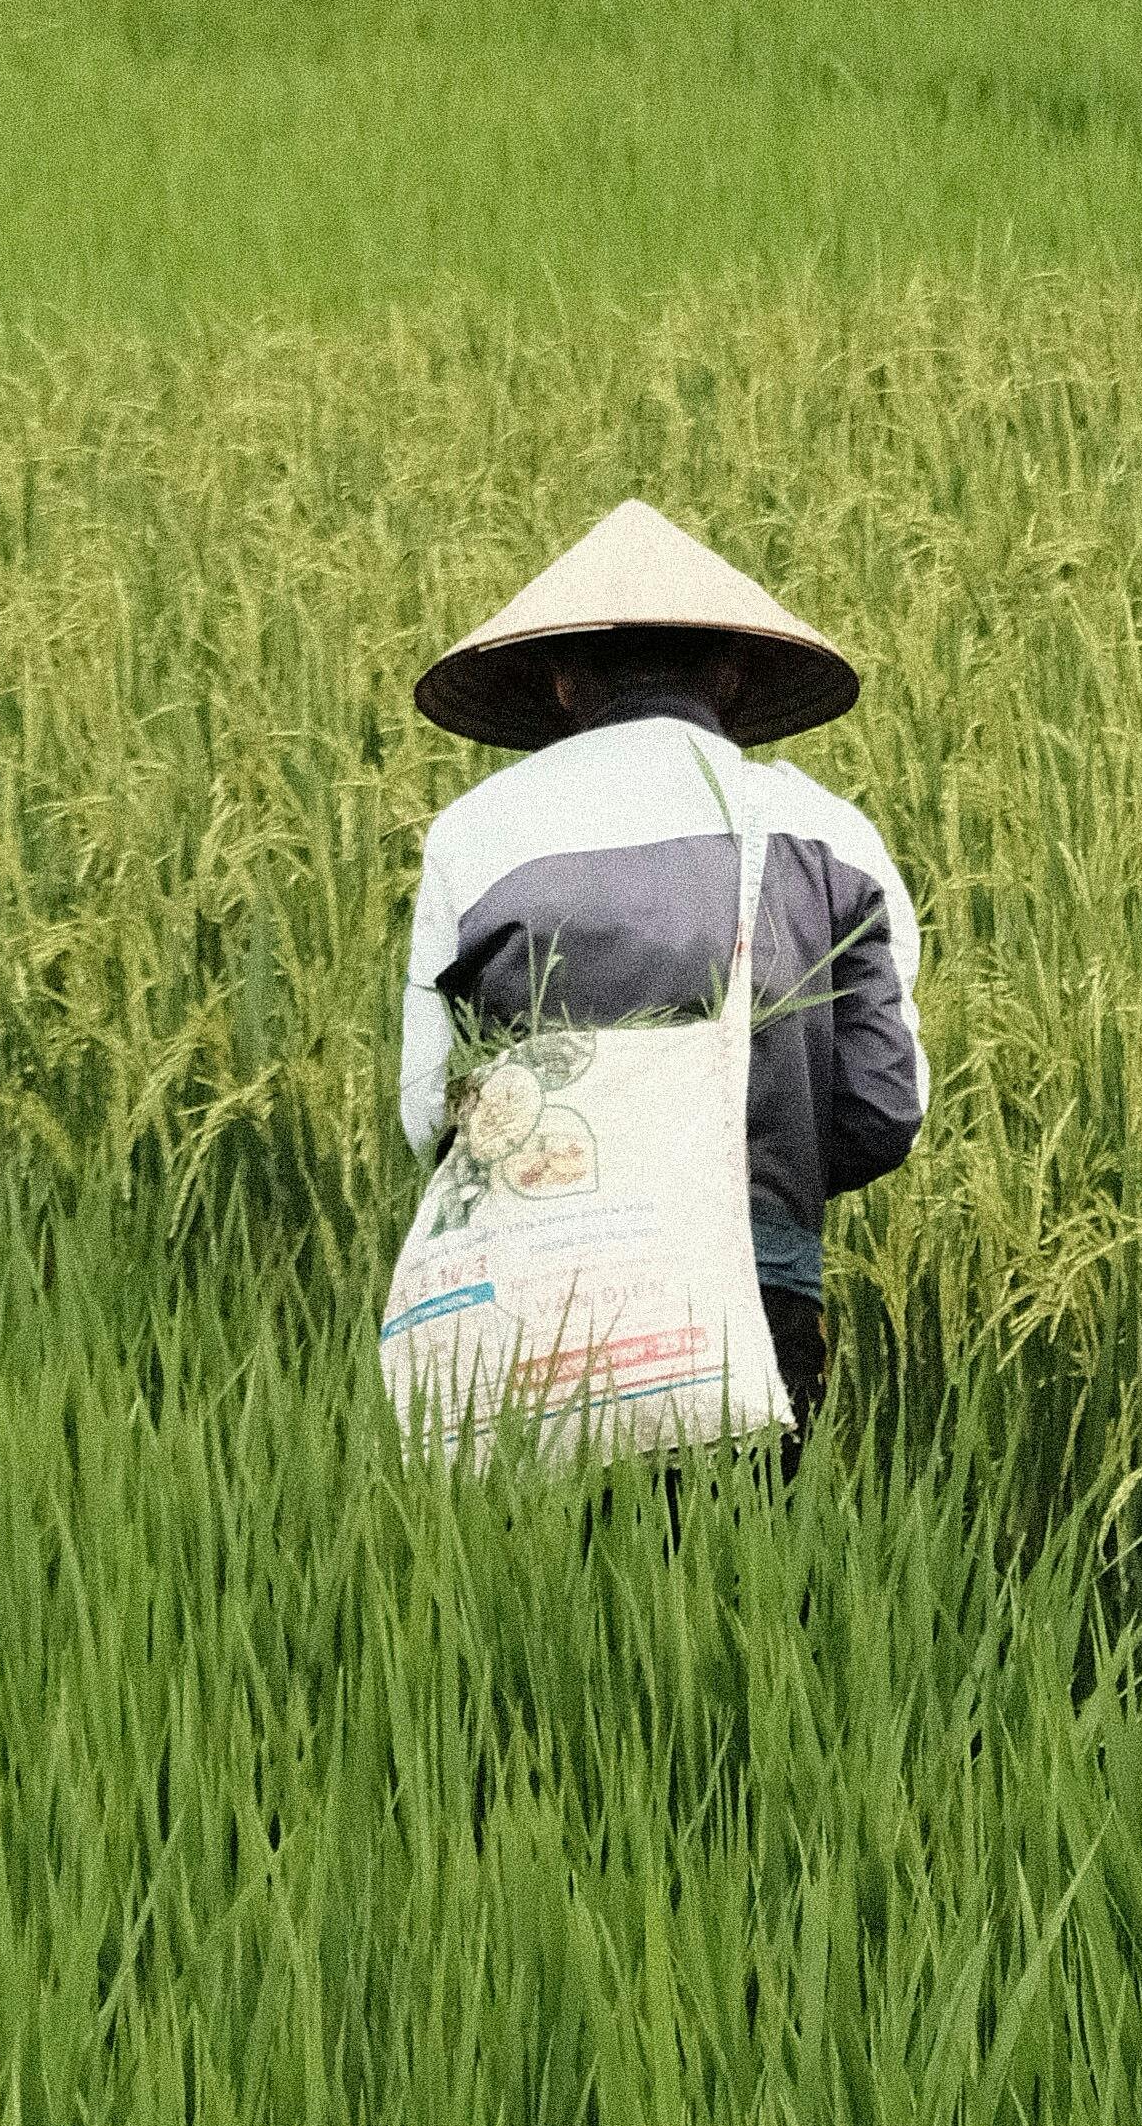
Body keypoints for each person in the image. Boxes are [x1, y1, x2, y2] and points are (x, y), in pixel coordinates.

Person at [396, 499, 926, 1456]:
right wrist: (757, 1162)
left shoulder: (473, 835)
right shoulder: (827, 836)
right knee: (740, 1586)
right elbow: (882, 1112)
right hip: (752, 1289)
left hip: (534, 1297)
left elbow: (430, 1109)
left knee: (538, 1598)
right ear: (730, 674)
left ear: (561, 684)